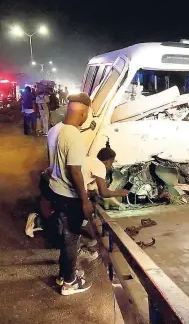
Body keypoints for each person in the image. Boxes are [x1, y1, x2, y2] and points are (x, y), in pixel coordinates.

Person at [47, 92, 93, 296]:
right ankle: (69, 282)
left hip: (55, 189)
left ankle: (63, 274)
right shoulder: (73, 135)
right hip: (69, 196)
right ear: (82, 113)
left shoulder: (54, 130)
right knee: (71, 239)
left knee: (65, 236)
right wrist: (85, 201)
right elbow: (74, 169)